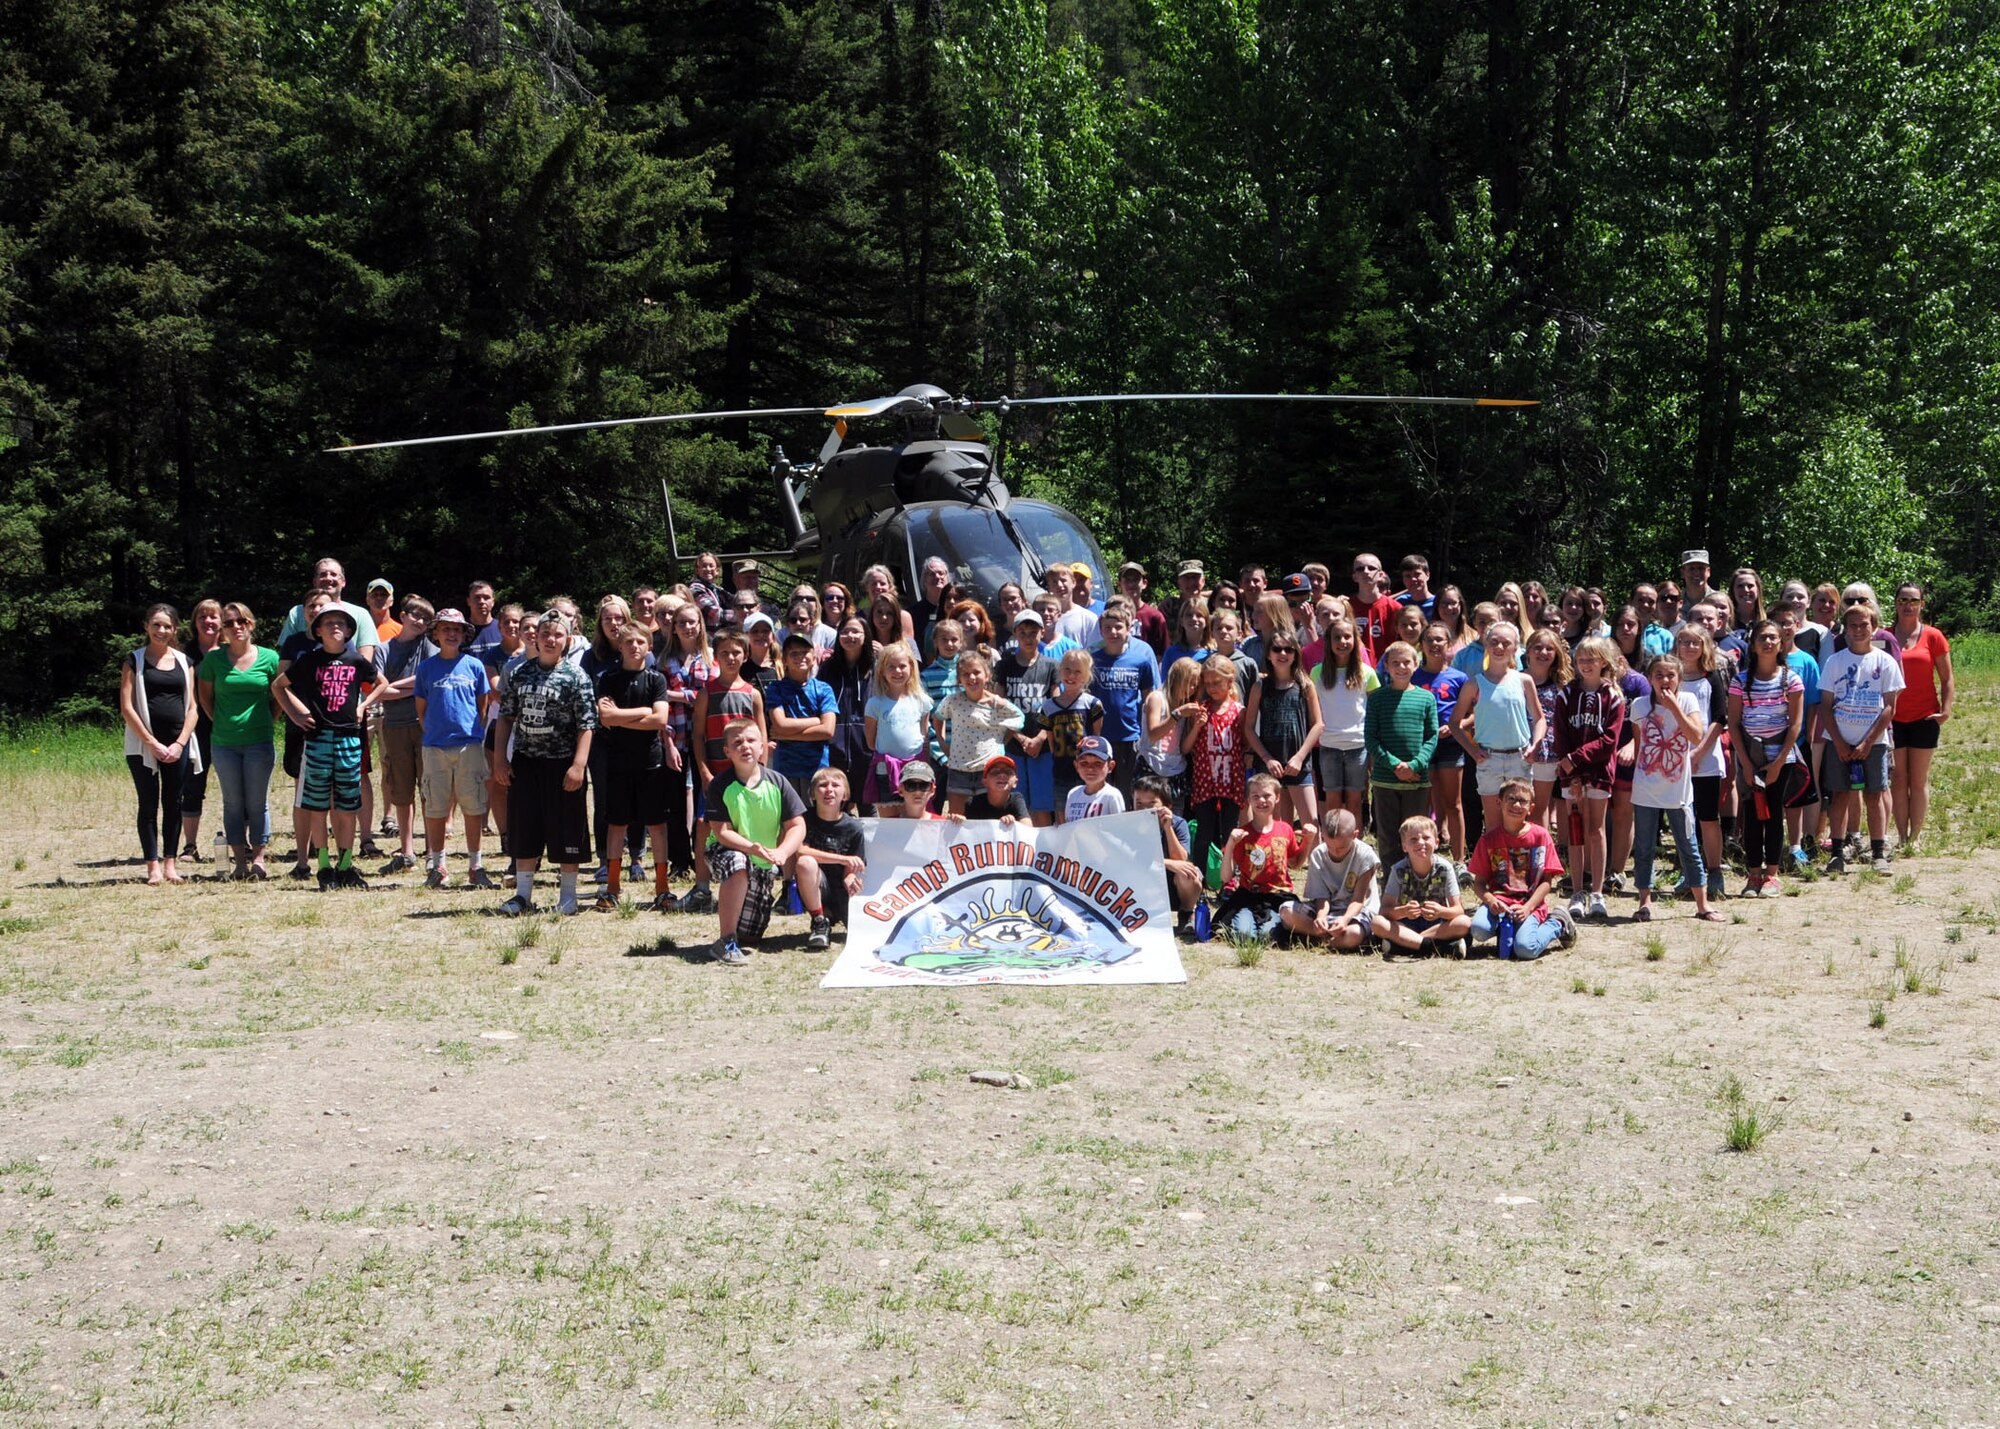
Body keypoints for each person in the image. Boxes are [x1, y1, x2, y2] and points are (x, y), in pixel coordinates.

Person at [492, 611, 598, 915]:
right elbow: (505, 718)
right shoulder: (521, 673)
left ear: (567, 640)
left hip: (563, 763)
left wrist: (579, 765)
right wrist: (501, 759)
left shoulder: (576, 676)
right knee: (525, 827)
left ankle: (568, 896)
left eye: (558, 635)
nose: (551, 640)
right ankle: (523, 895)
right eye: (545, 634)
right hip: (526, 761)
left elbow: (587, 724)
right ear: (535, 637)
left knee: (567, 828)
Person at [271, 604, 382, 889]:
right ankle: (323, 866)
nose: (335, 626)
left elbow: (381, 683)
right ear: (318, 630)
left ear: (348, 630)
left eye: (341, 623)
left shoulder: (356, 660)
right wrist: (296, 713)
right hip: (318, 739)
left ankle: (345, 866)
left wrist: (364, 706)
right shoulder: (309, 660)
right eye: (329, 622)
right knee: (318, 807)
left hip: (349, 739)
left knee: (347, 806)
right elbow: (278, 686)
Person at [703, 719, 808, 965]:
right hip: (726, 850)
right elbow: (721, 831)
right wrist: (750, 847)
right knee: (738, 863)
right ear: (727, 751)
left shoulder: (778, 782)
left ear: (763, 747)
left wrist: (783, 852)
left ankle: (738, 932)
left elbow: (797, 825)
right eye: (737, 742)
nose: (745, 746)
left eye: (751, 740)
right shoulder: (721, 785)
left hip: (763, 861)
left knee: (751, 936)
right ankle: (725, 941)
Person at [1628, 655, 1722, 922]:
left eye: (1670, 675)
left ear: (1679, 678)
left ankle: (1702, 905)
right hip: (1646, 787)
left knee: (1688, 845)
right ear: (1649, 679)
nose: (1665, 680)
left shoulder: (1688, 700)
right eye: (1659, 675)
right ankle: (1645, 902)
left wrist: (1674, 709)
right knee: (1644, 847)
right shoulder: (1639, 705)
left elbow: (1695, 736)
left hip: (1678, 790)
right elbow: (1640, 745)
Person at [590, 622, 673, 912]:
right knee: (616, 824)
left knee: (657, 825)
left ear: (649, 646)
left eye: (640, 641)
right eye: (629, 642)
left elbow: (660, 720)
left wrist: (621, 716)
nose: (635, 646)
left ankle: (662, 887)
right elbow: (605, 718)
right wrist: (642, 712)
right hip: (618, 760)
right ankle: (612, 887)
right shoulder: (609, 679)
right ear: (620, 646)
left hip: (650, 761)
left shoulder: (657, 680)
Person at [412, 608, 495, 890]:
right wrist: (436, 732)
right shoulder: (426, 668)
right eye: (445, 629)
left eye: (456, 630)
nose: (451, 634)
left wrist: (469, 732)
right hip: (435, 747)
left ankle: (476, 865)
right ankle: (438, 865)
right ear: (435, 634)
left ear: (463, 635)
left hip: (468, 745)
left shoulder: (473, 666)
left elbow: (482, 705)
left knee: (473, 806)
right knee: (435, 806)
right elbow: (421, 711)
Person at [1820, 599, 1904, 875]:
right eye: (1852, 625)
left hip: (1875, 742)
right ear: (1844, 630)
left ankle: (1878, 851)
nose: (1858, 630)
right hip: (1839, 740)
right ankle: (1837, 851)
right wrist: (1840, 742)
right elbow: (1825, 705)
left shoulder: (1885, 661)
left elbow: (1890, 706)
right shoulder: (1835, 661)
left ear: (1874, 628)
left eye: (1863, 625)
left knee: (1874, 795)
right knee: (1840, 795)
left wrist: (1868, 741)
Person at [197, 602, 280, 880]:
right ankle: (239, 862)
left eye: (242, 621)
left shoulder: (270, 658)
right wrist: (221, 722)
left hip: (259, 741)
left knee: (257, 802)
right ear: (223, 629)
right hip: (224, 743)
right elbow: (205, 698)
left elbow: (278, 696)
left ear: (251, 624)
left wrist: (270, 719)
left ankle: (258, 859)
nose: (237, 627)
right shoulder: (213, 660)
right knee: (233, 802)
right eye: (230, 622)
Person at [120, 603, 200, 885]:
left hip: (178, 744)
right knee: (148, 803)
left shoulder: (184, 662)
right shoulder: (134, 660)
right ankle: (152, 866)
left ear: (175, 629)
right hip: (143, 745)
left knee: (174, 803)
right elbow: (127, 707)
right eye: (156, 625)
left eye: (167, 626)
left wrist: (179, 743)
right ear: (146, 626)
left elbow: (193, 708)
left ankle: (170, 864)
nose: (161, 631)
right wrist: (151, 742)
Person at [1728, 619, 1805, 898]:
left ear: (1781, 642)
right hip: (1749, 755)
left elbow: (1795, 724)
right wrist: (1747, 765)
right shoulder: (1740, 681)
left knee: (1773, 815)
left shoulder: (1791, 679)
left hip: (1779, 759)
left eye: (1774, 637)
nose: (1769, 642)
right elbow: (1734, 723)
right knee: (1750, 815)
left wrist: (1778, 762)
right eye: (1763, 637)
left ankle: (1772, 875)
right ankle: (1753, 874)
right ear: (1754, 644)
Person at [1554, 637, 1625, 920]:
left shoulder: (1614, 697)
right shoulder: (1566, 695)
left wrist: (1577, 759)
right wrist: (1569, 766)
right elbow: (1561, 734)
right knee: (1575, 829)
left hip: (1599, 772)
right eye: (1581, 659)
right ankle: (1577, 890)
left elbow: (1610, 740)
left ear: (1603, 662)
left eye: (1592, 659)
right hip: (1570, 772)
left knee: (1595, 829)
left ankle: (1597, 891)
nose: (1585, 664)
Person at [1452, 620, 1545, 834]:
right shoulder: (1474, 684)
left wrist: (1536, 745)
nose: (1499, 647)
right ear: (1486, 644)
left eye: (1506, 643)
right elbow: (1455, 723)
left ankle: (1520, 865)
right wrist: (1473, 750)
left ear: (1515, 648)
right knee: (1493, 824)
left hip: (1519, 758)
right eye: (1494, 642)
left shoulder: (1524, 680)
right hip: (1489, 759)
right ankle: (1498, 867)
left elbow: (1540, 719)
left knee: (1519, 820)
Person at [1466, 779, 1575, 957]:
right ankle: (1509, 930)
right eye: (1511, 799)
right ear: (1499, 802)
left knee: (1526, 949)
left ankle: (1558, 923)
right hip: (1500, 903)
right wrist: (1490, 901)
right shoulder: (1488, 840)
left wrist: (1529, 907)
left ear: (1531, 808)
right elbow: (1478, 884)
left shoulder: (1541, 836)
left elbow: (1547, 882)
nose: (1516, 805)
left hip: (1529, 904)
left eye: (1523, 801)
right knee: (1478, 930)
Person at [369, 596, 438, 874]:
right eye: (415, 615)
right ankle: (406, 851)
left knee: (428, 789)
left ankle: (433, 850)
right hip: (394, 724)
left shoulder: (430, 648)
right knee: (400, 789)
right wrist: (411, 685)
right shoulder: (384, 649)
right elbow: (377, 688)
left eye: (425, 619)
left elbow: (429, 680)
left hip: (425, 725)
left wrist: (392, 686)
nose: (419, 622)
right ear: (403, 615)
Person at [1888, 582, 1952, 847]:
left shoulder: (1933, 636)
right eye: (1903, 600)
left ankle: (1915, 838)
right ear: (1896, 603)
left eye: (1913, 601)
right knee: (1898, 779)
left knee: (1918, 779)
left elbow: (1947, 678)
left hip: (1925, 716)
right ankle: (1901, 835)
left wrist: (1945, 711)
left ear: (1922, 605)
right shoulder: (1884, 636)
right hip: (1891, 718)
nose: (1907, 605)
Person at [1242, 631, 1322, 845]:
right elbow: (1248, 728)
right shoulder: (1260, 687)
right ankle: (1275, 871)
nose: (1283, 653)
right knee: (1270, 826)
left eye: (1288, 649)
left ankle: (1319, 875)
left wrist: (1299, 757)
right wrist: (1266, 758)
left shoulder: (1305, 685)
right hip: (1269, 764)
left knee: (1310, 824)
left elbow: (1318, 725)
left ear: (1296, 654)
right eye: (1277, 649)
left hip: (1299, 763)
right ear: (1268, 654)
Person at [657, 603, 715, 879]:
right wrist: (667, 744)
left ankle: (704, 856)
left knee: (707, 799)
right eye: (682, 623)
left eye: (693, 622)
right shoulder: (663, 660)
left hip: (705, 737)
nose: (688, 627)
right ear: (674, 628)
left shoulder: (711, 657)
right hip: (674, 736)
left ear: (701, 625)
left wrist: (678, 695)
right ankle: (680, 861)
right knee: (674, 801)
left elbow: (711, 694)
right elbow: (659, 703)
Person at [1673, 624, 1728, 901]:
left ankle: (1715, 870)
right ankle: (1690, 872)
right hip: (1676, 758)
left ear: (1704, 646)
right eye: (1685, 642)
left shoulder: (1711, 678)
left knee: (1707, 817)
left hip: (1705, 758)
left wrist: (1699, 753)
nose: (1690, 648)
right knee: (1685, 819)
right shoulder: (1673, 679)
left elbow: (1719, 718)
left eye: (1696, 643)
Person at [935, 650, 1026, 815]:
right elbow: (938, 717)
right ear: (959, 679)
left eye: (976, 672)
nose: (972, 678)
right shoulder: (952, 701)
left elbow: (1019, 720)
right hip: (959, 769)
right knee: (957, 819)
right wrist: (942, 744)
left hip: (990, 770)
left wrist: (1001, 742)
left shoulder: (997, 704)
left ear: (987, 675)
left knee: (988, 819)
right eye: (966, 674)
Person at [1182, 654, 1247, 886]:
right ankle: (1198, 880)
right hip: (1205, 778)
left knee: (1229, 832)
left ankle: (1229, 880)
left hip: (1231, 778)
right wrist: (1197, 726)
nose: (1211, 688)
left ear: (1230, 682)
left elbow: (1245, 745)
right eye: (1207, 684)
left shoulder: (1239, 711)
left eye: (1216, 683)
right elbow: (1186, 747)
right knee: (1204, 832)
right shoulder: (1202, 709)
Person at [1364, 640, 1438, 840]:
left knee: (1416, 834)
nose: (1401, 667)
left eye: (1406, 662)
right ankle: (1390, 872)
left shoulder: (1426, 698)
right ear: (1386, 666)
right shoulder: (1377, 698)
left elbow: (1431, 736)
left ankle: (1414, 871)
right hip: (1385, 780)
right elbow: (1370, 738)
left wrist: (1414, 766)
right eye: (1395, 663)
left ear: (1415, 664)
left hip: (1417, 780)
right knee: (1388, 835)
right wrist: (1396, 765)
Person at [1216, 773, 1304, 942]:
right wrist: (1230, 844)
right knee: (1245, 936)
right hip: (1248, 897)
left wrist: (1308, 842)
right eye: (1255, 796)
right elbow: (1225, 877)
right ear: (1248, 799)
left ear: (1277, 797)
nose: (1261, 801)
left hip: (1277, 896)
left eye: (1266, 796)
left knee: (1268, 936)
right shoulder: (1242, 834)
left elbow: (1296, 864)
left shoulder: (1285, 830)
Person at [1088, 599, 1159, 801]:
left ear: (1129, 629)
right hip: (1100, 734)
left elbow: (1148, 700)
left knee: (1128, 790)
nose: (1113, 632)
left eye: (1118, 627)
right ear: (1101, 631)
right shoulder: (1093, 660)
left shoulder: (1140, 661)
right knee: (1101, 789)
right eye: (1107, 628)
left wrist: (1147, 734)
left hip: (1129, 735)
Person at [1279, 809, 1379, 951]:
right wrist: (1320, 917)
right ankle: (1330, 937)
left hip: (1357, 913)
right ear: (1322, 835)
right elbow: (1321, 896)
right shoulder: (1318, 854)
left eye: (1341, 847)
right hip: (1329, 912)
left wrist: (1344, 920)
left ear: (1355, 835)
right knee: (1286, 911)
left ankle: (1323, 941)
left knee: (1354, 933)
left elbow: (1358, 900)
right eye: (1330, 846)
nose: (1335, 851)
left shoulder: (1365, 855)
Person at [1373, 815, 1473, 956]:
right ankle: (1435, 947)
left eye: (1426, 838)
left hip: (1436, 925)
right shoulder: (1398, 870)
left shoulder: (1445, 868)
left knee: (1464, 923)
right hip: (1406, 924)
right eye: (1413, 840)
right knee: (1378, 923)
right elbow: (1384, 911)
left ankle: (1407, 945)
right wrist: (1403, 911)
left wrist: (1440, 911)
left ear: (1437, 842)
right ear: (1404, 846)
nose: (1421, 843)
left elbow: (1458, 910)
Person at [1416, 622, 1471, 870]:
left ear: (1449, 645)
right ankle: (1426, 856)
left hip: (1451, 744)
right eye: (1430, 640)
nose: (1435, 644)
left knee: (1453, 802)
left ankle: (1459, 860)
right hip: (1422, 745)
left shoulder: (1459, 678)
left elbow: (1475, 713)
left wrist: (1456, 725)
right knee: (1426, 802)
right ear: (1422, 645)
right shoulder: (1414, 676)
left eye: (1440, 640)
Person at [1311, 615, 1376, 824]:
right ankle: (1333, 843)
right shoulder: (1317, 672)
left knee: (1355, 799)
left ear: (1356, 640)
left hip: (1358, 745)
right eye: (1337, 638)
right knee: (1332, 799)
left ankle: (1353, 842)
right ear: (1328, 642)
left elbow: (1375, 709)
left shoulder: (1367, 673)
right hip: (1328, 745)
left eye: (1347, 637)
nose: (1342, 642)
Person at [996, 611, 1058, 824]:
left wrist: (1040, 738)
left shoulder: (1050, 665)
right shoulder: (1005, 665)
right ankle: (1020, 854)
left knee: (1042, 806)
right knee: (1017, 805)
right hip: (1013, 745)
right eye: (1023, 632)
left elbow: (1055, 707)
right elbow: (1000, 706)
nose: (1028, 638)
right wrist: (1019, 738)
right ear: (1015, 634)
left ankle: (1043, 854)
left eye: (1033, 632)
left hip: (1043, 746)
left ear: (1042, 633)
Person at [796, 766, 866, 949]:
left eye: (836, 785)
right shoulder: (804, 820)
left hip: (841, 888)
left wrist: (850, 878)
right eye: (822, 785)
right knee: (805, 863)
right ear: (812, 793)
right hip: (815, 885)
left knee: (863, 932)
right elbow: (800, 851)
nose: (829, 790)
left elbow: (850, 871)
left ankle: (835, 914)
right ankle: (819, 921)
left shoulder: (854, 827)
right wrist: (842, 859)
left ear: (845, 794)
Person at [177, 598, 224, 862]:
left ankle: (244, 844)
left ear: (222, 622)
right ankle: (189, 846)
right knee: (192, 786)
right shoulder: (184, 655)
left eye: (213, 616)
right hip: (194, 730)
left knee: (236, 789)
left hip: (229, 728)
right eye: (202, 617)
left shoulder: (232, 651)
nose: (208, 621)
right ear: (194, 623)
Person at [863, 640, 933, 812]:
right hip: (886, 769)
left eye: (902, 666)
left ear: (911, 667)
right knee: (889, 819)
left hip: (915, 768)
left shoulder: (922, 701)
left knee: (915, 818)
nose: (897, 671)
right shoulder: (875, 704)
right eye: (891, 667)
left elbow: (923, 736)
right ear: (882, 671)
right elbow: (871, 742)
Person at [765, 633, 840, 796]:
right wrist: (815, 720)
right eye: (793, 653)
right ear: (784, 660)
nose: (800, 657)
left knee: (815, 817)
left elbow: (827, 730)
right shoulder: (775, 688)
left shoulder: (824, 689)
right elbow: (780, 725)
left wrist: (785, 735)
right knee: (790, 819)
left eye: (805, 652)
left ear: (813, 657)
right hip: (786, 768)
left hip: (816, 768)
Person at [1133, 774, 1203, 932]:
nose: (1145, 809)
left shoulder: (1179, 823)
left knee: (1188, 872)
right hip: (1144, 883)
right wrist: (1168, 863)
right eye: (1139, 804)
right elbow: (1130, 860)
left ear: (1167, 806)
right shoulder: (1129, 823)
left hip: (1173, 885)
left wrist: (1167, 827)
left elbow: (1181, 859)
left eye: (1151, 804)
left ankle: (1186, 912)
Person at [1041, 648, 1104, 818]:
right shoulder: (1048, 707)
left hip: (1086, 772)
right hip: (1061, 771)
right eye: (1067, 670)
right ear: (1060, 671)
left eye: (1078, 672)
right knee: (1063, 816)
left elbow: (1096, 737)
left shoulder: (1092, 704)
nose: (1071, 675)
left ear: (1085, 676)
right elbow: (1051, 741)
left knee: (1088, 816)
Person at [820, 615, 873, 807]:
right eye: (844, 631)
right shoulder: (827, 669)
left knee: (870, 810)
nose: (850, 636)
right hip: (835, 750)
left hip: (866, 751)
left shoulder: (875, 668)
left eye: (856, 631)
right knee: (836, 808)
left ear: (865, 635)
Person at [1064, 734, 1125, 821]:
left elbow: (1120, 827)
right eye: (1084, 763)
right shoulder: (1073, 794)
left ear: (1110, 766)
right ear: (1076, 766)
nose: (1090, 768)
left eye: (1097, 763)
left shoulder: (1112, 796)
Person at [1116, 561, 1169, 656]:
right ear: (1119, 585)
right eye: (1127, 580)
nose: (1131, 584)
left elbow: (1163, 653)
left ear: (1144, 583)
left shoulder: (1154, 616)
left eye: (1136, 580)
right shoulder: (1112, 615)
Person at [965, 755, 1031, 822]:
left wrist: (1014, 823)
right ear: (985, 782)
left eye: (1008, 772)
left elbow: (1027, 827)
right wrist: (960, 822)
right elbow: (970, 830)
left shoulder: (1017, 799)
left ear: (1015, 782)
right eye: (995, 772)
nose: (1002, 775)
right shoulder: (973, 802)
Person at [881, 759, 950, 820]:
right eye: (911, 785)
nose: (917, 792)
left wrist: (957, 823)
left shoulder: (942, 824)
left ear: (932, 790)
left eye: (924, 786)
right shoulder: (889, 825)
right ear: (900, 789)